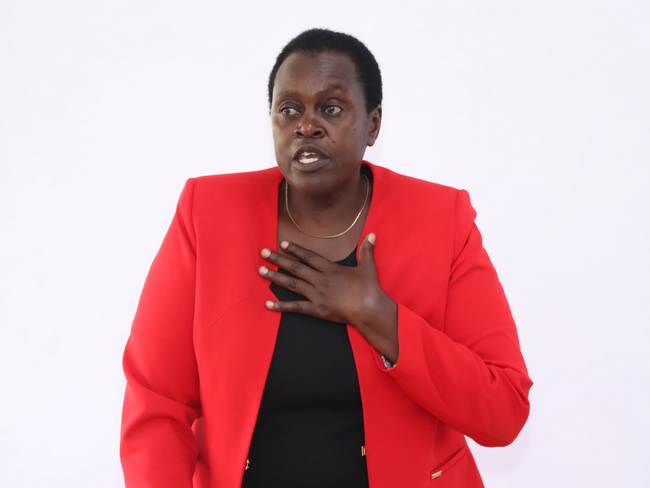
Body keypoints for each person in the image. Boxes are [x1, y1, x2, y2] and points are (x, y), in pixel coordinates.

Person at [119, 28, 533, 488]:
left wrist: (381, 318)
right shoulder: (209, 212)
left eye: (331, 108)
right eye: (289, 109)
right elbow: (157, 402)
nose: (307, 126)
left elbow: (504, 411)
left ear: (372, 125)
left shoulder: (441, 219)